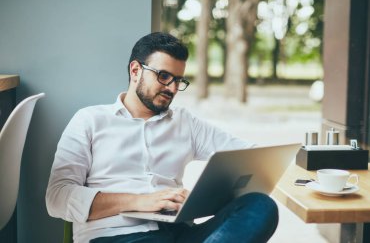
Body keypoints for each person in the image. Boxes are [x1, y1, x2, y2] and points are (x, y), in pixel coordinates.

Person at [46, 32, 279, 243]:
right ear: (135, 70)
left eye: (179, 80)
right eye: (164, 76)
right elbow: (57, 198)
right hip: (117, 236)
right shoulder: (89, 120)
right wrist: (141, 201)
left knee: (260, 206)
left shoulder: (185, 123)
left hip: (180, 233)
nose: (173, 88)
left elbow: (250, 156)